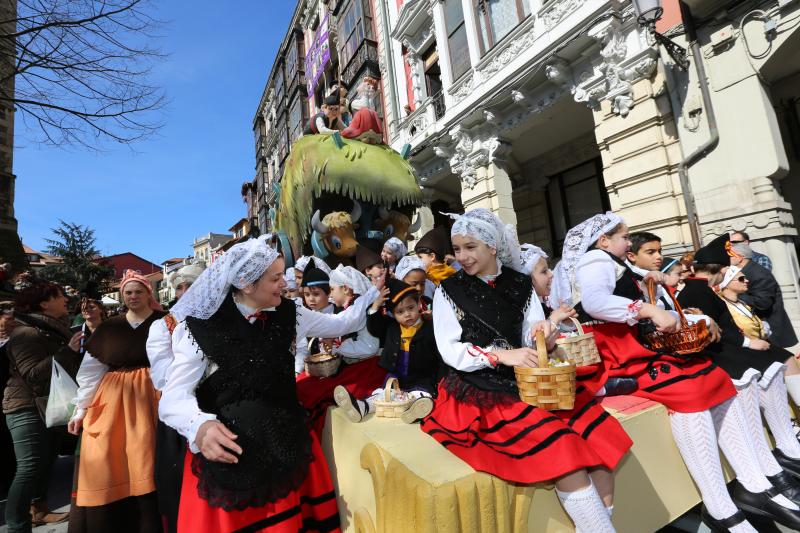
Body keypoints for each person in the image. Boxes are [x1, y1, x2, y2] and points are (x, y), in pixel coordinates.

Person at [561, 214, 800, 532]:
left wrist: (671, 306)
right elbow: (595, 303)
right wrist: (647, 309)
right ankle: (720, 504)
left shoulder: (614, 263)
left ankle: (754, 483)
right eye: (624, 237)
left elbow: (648, 300)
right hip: (619, 352)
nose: (627, 242)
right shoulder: (595, 260)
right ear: (603, 240)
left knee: (714, 378)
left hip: (639, 346)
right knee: (690, 390)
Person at [420, 209, 632, 533]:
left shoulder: (521, 283)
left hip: (532, 380)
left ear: (492, 246)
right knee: (563, 449)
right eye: (458, 248)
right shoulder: (449, 290)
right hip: (480, 385)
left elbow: (531, 332)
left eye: (470, 247)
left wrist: (543, 334)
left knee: (600, 440)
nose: (461, 256)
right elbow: (451, 350)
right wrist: (504, 356)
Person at [159, 235, 380, 532]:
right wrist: (200, 426)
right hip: (233, 462)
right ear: (248, 285)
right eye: (276, 278)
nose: (285, 284)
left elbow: (341, 324)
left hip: (288, 446)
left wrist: (369, 296)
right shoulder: (199, 327)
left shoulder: (292, 313)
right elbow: (172, 399)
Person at [679, 252, 800, 490]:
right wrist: (746, 343)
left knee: (776, 361)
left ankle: (787, 446)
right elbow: (713, 330)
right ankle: (770, 462)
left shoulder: (702, 289)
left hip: (721, 346)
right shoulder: (696, 291)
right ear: (722, 269)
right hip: (712, 352)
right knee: (753, 369)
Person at [67, 270, 166, 533]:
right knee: (110, 457)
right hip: (113, 398)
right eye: (128, 292)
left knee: (148, 457)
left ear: (149, 293)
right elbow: (90, 371)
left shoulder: (166, 322)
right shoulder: (111, 327)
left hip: (154, 394)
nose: (133, 296)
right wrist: (81, 409)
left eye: (138, 291)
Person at [4, 281, 82, 532]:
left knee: (45, 464)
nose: (66, 299)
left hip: (48, 406)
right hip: (25, 407)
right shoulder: (26, 333)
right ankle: (17, 525)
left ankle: (39, 511)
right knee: (28, 469)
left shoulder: (50, 329)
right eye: (60, 296)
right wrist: (67, 351)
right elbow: (33, 375)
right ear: (44, 303)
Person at [144, 261, 205, 533]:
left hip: (221, 408)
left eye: (190, 285)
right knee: (181, 483)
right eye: (180, 287)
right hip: (182, 414)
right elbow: (162, 377)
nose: (184, 291)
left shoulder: (223, 317)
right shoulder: (163, 326)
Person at [295, 264, 387, 436]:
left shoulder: (356, 309)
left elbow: (365, 343)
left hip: (364, 367)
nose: (329, 295)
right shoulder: (349, 308)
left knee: (313, 391)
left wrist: (338, 347)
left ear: (345, 289)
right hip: (353, 364)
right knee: (305, 386)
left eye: (331, 290)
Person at [334, 278, 438, 423]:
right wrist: (376, 305)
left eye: (411, 308)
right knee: (383, 395)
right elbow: (375, 327)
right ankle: (362, 407)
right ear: (393, 314)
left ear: (419, 304)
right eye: (400, 311)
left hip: (421, 376)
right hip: (396, 376)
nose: (407, 314)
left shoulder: (429, 327)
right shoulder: (392, 327)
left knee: (421, 394)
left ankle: (413, 410)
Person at [66, 297, 107, 532]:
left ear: (100, 309)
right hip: (83, 392)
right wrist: (70, 350)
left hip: (104, 395)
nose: (87, 311)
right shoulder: (74, 332)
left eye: (91, 306)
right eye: (83, 308)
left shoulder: (111, 328)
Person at [730, 241, 798, 349]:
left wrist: (733, 294)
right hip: (759, 329)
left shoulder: (759, 273)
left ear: (740, 257)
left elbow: (763, 303)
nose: (726, 259)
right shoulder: (744, 271)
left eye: (729, 255)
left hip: (771, 331)